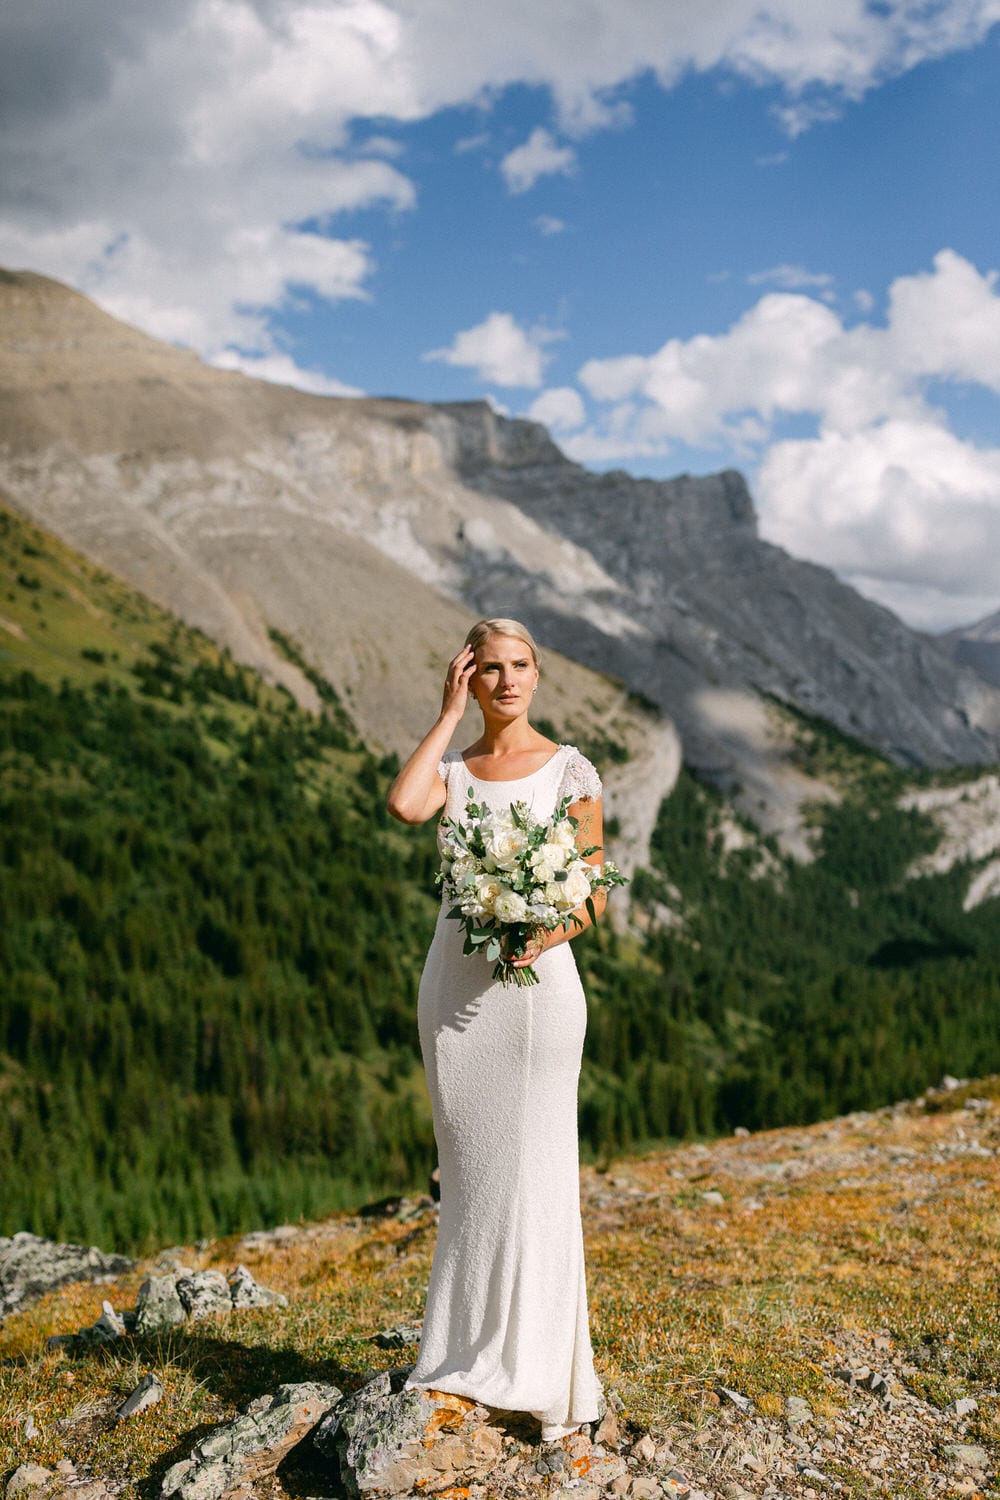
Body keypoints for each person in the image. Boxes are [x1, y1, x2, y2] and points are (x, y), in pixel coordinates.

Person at [386, 616, 608, 1442]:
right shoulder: (455, 770)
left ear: (538, 674)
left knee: (540, 1173)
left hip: (539, 993)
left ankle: (548, 1374)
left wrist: (535, 934)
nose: (507, 682)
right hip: (454, 996)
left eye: (520, 667)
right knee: (472, 1176)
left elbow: (591, 893)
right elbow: (404, 804)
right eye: (489, 670)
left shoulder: (570, 770)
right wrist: (444, 718)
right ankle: (464, 1354)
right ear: (469, 678)